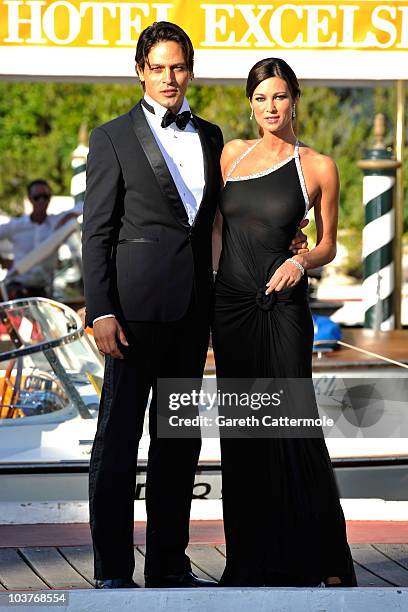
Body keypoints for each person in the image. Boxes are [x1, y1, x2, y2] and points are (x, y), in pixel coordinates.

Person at [82, 23, 309, 590]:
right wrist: (100, 309)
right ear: (140, 71)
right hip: (130, 320)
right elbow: (96, 234)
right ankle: (112, 570)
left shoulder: (212, 137)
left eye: (178, 66)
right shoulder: (111, 138)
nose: (168, 77)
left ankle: (168, 564)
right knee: (116, 446)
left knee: (179, 445)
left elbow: (224, 222)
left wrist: (291, 242)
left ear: (190, 71)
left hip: (193, 317)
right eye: (157, 67)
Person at [212, 58, 357, 587]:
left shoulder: (317, 166)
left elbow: (327, 245)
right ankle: (250, 562)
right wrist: (210, 285)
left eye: (278, 97)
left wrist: (300, 261)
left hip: (283, 308)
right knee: (243, 432)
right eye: (259, 99)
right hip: (231, 308)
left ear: (294, 98)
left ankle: (322, 560)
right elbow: (214, 231)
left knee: (293, 426)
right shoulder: (229, 156)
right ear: (250, 104)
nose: (269, 108)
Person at [0, 179, 81, 299]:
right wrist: (2, 260)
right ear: (30, 198)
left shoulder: (56, 222)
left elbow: (85, 205)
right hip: (18, 287)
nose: (42, 201)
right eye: (37, 197)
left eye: (46, 196)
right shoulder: (16, 225)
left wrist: (72, 214)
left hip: (45, 289)